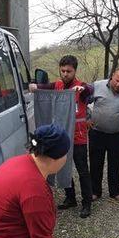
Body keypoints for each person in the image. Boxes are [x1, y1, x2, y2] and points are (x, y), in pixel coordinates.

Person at [29, 55, 94, 218]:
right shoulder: (57, 85)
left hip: (78, 137)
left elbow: (90, 90)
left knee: (82, 170)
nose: (65, 74)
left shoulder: (81, 87)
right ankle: (70, 198)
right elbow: (44, 87)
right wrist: (35, 86)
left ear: (75, 71)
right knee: (63, 167)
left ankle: (87, 203)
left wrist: (83, 90)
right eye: (63, 70)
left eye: (69, 71)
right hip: (62, 136)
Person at [89, 66, 119, 201]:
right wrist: (87, 118)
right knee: (95, 163)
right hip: (96, 133)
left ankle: (116, 191)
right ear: (112, 76)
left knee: (116, 164)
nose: (118, 84)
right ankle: (94, 191)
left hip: (117, 134)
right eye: (116, 80)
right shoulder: (96, 86)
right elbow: (82, 101)